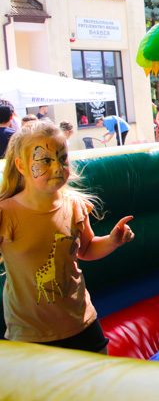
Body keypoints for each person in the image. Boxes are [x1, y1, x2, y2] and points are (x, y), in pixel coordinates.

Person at [0, 121, 134, 353]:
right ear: (21, 166)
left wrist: (113, 241)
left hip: (81, 321)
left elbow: (86, 248)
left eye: (62, 159)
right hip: (30, 332)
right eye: (45, 161)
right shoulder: (6, 214)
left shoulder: (74, 205)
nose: (57, 168)